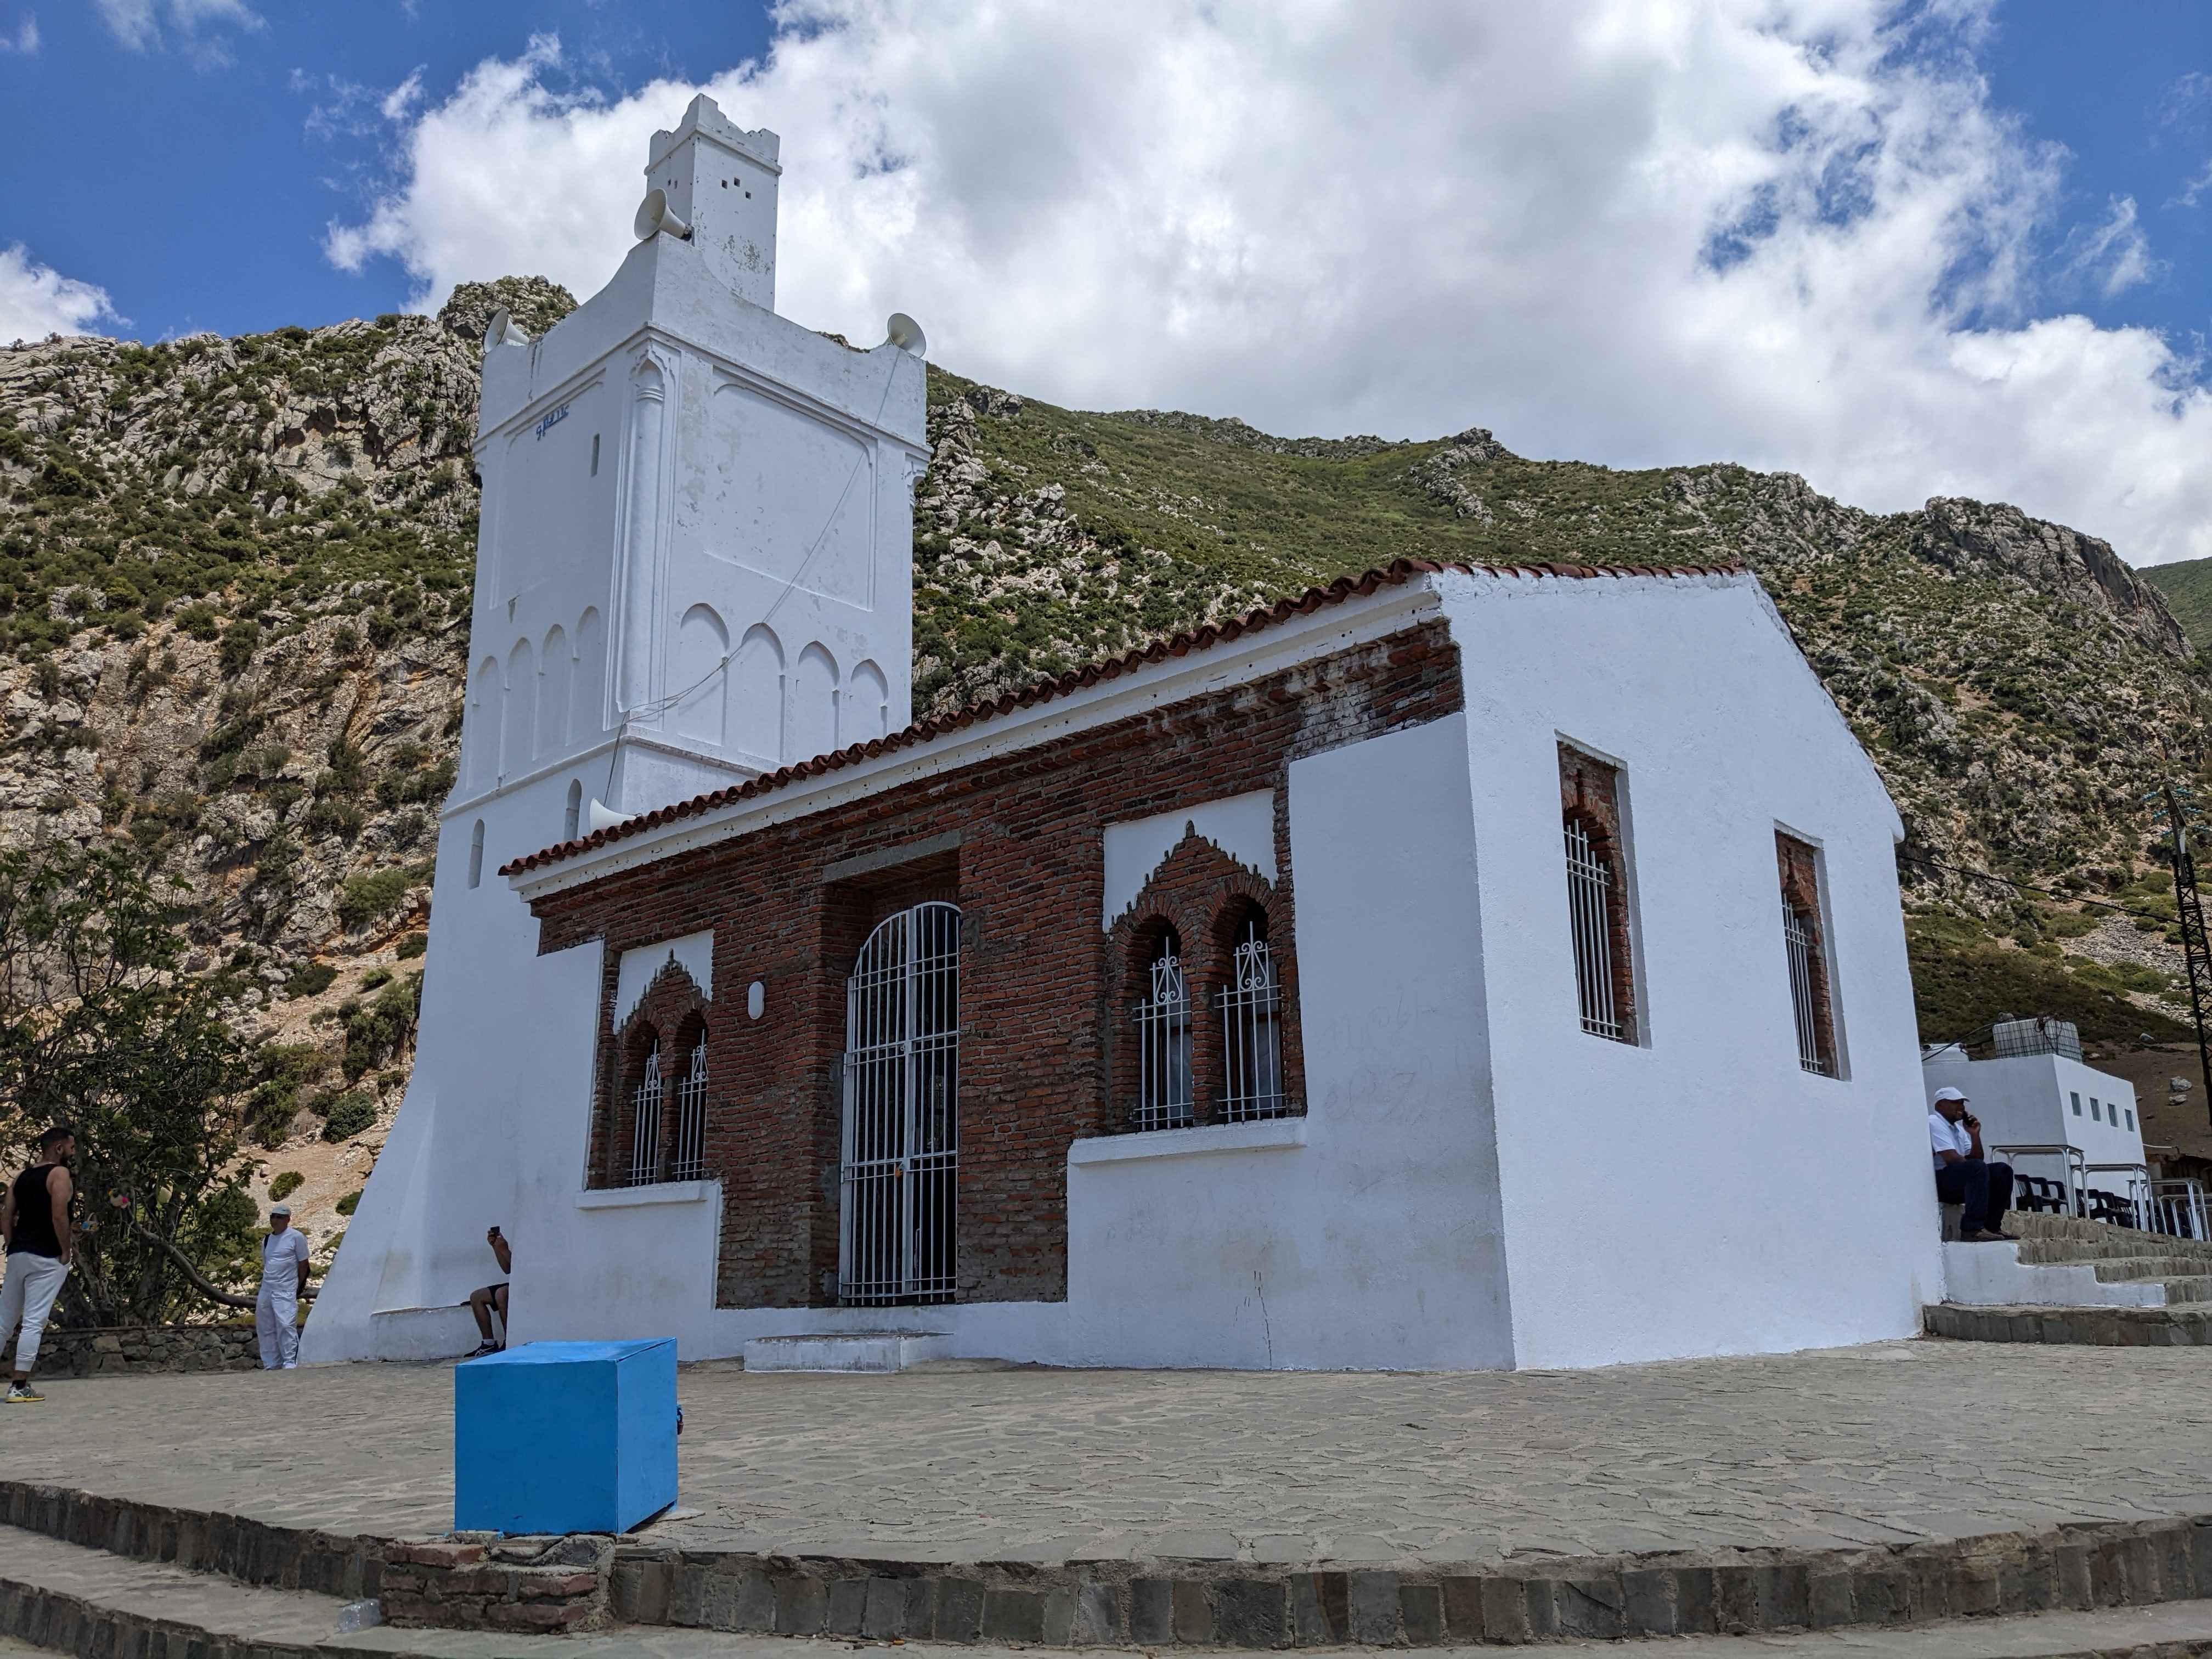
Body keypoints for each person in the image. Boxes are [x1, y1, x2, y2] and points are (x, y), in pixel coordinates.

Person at [1, 1124, 77, 1404]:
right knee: (34, 1322)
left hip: (19, 1254)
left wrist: (12, 1245)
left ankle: (18, 1384)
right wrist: (66, 1250)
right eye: (71, 1147)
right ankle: (19, 1386)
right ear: (59, 1148)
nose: (73, 1153)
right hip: (46, 1257)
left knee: (3, 1322)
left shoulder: (21, 1177)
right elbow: (59, 1215)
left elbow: (6, 1215)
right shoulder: (60, 1173)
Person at [1930, 1086, 2014, 1242]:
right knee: (1976, 1168)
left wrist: (1974, 1134)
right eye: (1956, 1103)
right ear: (1940, 1105)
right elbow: (1951, 1158)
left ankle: (1991, 1227)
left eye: (1962, 1103)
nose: (1961, 1107)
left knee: (2002, 1171)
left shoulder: (1959, 1130)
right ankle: (1972, 1229)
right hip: (1940, 1183)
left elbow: (1977, 1158)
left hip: (1960, 1181)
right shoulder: (1934, 1122)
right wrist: (1976, 1167)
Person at [256, 1204, 312, 1370]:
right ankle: (271, 1363)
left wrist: (299, 1286)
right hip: (267, 1288)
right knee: (266, 1326)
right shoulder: (266, 1240)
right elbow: (268, 1264)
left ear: (288, 1219)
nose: (275, 1220)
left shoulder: (296, 1237)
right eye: (273, 1216)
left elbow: (304, 1264)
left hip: (286, 1288)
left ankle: (289, 1362)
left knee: (286, 1325)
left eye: (279, 1217)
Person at [466, 1225, 511, 1358]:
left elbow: (521, 1267)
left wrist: (505, 1250)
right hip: (515, 1282)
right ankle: (489, 1343)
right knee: (476, 1297)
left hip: (526, 1283)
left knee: (501, 1294)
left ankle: (509, 1341)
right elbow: (507, 1269)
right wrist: (497, 1248)